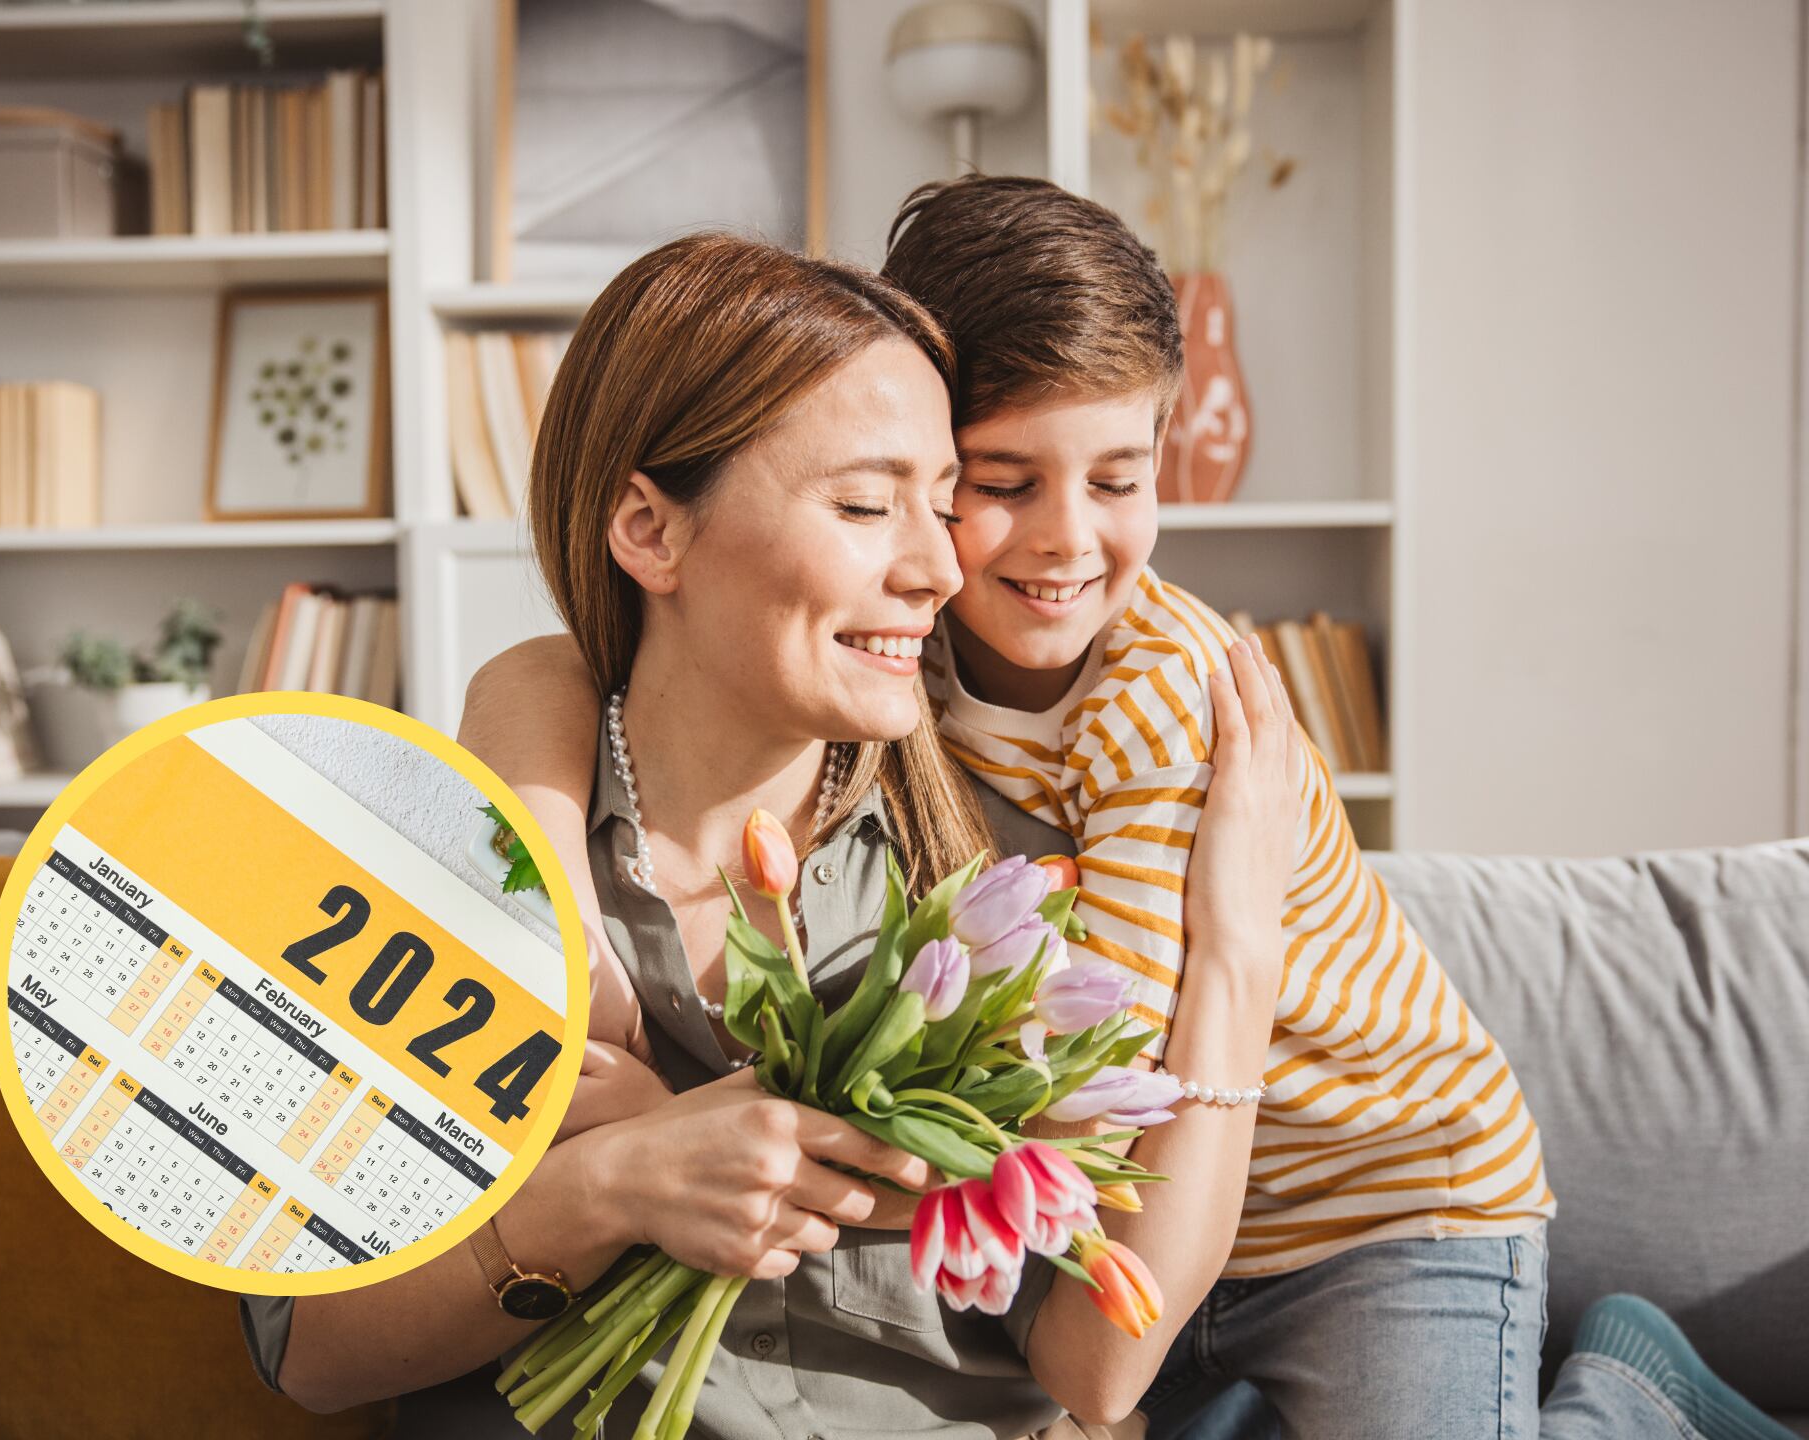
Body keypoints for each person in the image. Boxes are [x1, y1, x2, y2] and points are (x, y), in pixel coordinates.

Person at [466, 182, 1796, 1440]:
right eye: (998, 484)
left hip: (1377, 1205)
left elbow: (1089, 1084)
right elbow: (558, 669)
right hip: (1183, 1224)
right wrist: (556, 892)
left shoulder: (1165, 705)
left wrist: (688, 1131)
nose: (1065, 539)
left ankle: (1635, 1397)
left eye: (1118, 480)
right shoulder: (896, 633)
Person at [249, 232, 1306, 1440]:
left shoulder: (999, 881)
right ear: (651, 531)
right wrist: (608, 1189)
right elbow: (311, 1352)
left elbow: (1100, 1353)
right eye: (864, 505)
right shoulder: (434, 870)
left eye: (944, 504)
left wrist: (1238, 943)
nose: (938, 568)